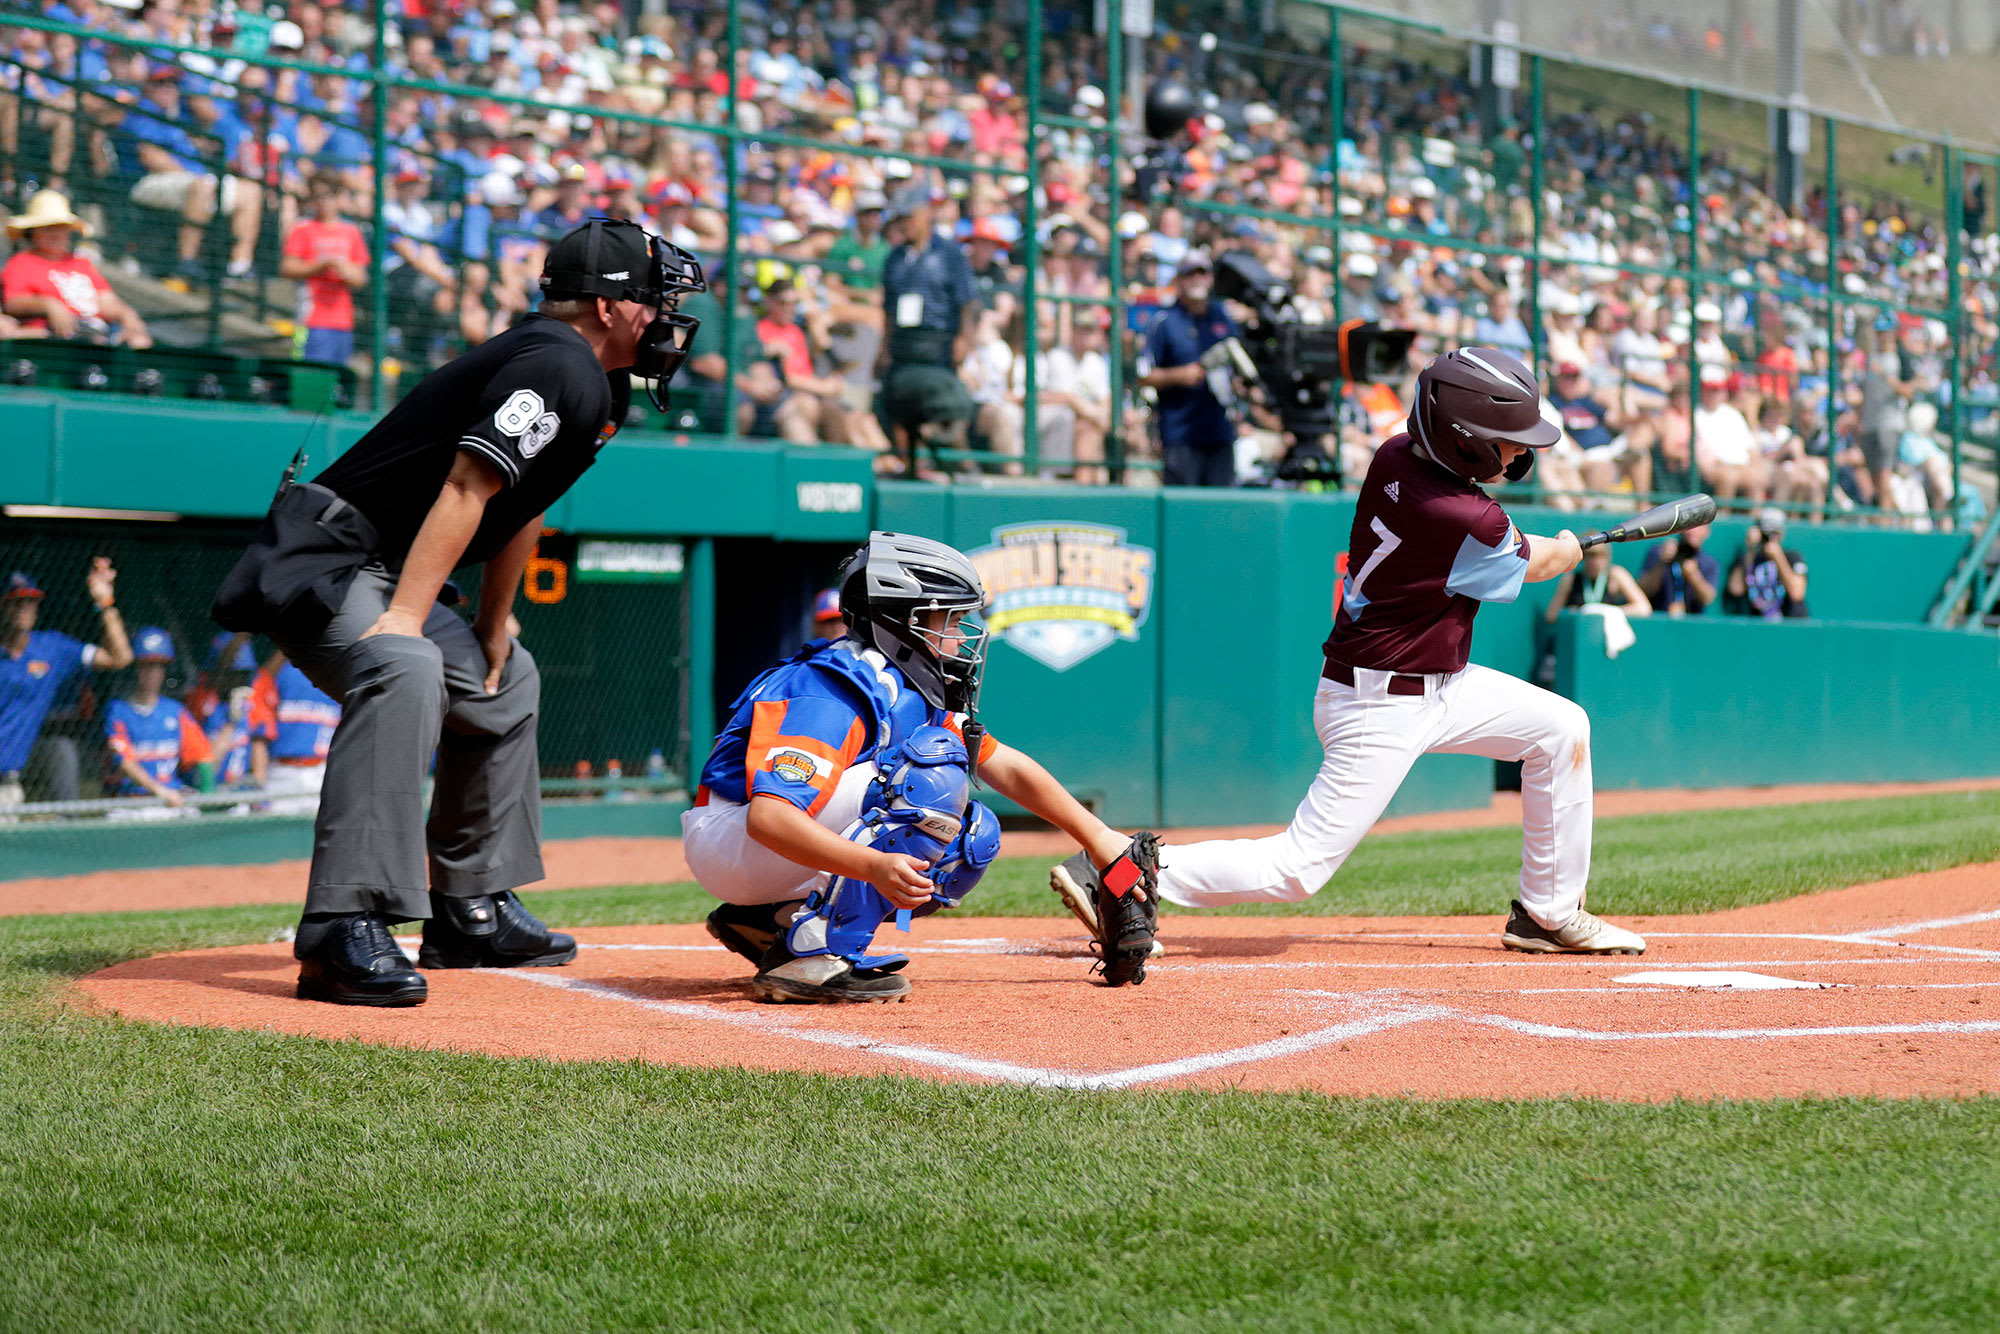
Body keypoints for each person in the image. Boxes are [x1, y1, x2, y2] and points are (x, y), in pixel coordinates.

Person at [210, 217, 706, 1008]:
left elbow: (523, 505)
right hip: (330, 557)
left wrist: (490, 624)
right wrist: (406, 618)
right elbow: (468, 488)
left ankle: (470, 911)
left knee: (501, 681)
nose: (668, 320)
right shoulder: (555, 363)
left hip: (384, 566)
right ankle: (343, 927)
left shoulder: (595, 379)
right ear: (609, 308)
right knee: (402, 666)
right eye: (656, 301)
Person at [1054, 347, 1647, 971]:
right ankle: (1122, 869)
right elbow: (1539, 566)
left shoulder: (1396, 453)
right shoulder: (1466, 518)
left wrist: (1549, 545)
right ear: (1464, 441)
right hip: (1381, 703)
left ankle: (1547, 913)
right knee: (1297, 869)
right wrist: (1568, 546)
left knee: (1559, 728)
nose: (1520, 455)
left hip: (1435, 683)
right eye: (1508, 442)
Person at [686, 533, 1136, 1003]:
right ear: (906, 620)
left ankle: (775, 917)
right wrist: (874, 865)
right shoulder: (833, 689)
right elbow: (770, 818)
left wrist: (1098, 837)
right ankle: (812, 956)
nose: (961, 636)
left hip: (762, 846)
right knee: (932, 779)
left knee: (970, 836)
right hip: (734, 838)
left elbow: (1005, 766)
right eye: (952, 619)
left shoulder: (906, 685)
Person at [0, 563, 133, 813]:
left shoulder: (51, 648)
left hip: (10, 776)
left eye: (31, 602)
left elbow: (120, 657)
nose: (24, 609)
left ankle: (68, 824)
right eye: (16, 602)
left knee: (61, 751)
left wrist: (105, 603)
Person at [877, 182, 979, 470]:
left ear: (926, 214)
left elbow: (967, 302)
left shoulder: (949, 253)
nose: (904, 224)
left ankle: (964, 469)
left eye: (908, 216)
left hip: (938, 345)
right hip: (904, 348)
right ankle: (915, 468)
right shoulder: (894, 259)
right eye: (899, 219)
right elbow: (887, 309)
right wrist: (883, 348)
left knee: (947, 407)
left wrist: (964, 339)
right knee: (897, 408)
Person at [1138, 250, 1241, 487]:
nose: (1197, 279)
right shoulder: (1163, 321)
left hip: (1220, 431)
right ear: (1179, 280)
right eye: (1190, 273)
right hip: (1181, 434)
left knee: (1221, 509)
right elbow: (1144, 375)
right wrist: (1180, 375)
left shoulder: (1222, 317)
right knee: (1183, 513)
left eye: (1202, 273)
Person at [2, 191, 152, 347]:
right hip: (50, 337)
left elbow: (106, 301)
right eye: (48, 228)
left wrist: (126, 314)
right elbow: (13, 302)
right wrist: (49, 305)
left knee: (140, 341)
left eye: (61, 227)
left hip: (95, 333)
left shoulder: (82, 264)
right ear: (33, 232)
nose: (56, 234)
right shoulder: (21, 263)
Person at [103, 627, 211, 816]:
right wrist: (160, 791)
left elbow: (203, 756)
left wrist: (209, 795)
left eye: (158, 666)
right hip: (133, 800)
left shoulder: (175, 711)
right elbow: (125, 763)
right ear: (136, 668)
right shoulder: (118, 711)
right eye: (146, 665)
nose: (152, 673)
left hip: (172, 797)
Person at [280, 174, 368, 366]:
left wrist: (346, 272)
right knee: (310, 376)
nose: (324, 202)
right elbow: (287, 267)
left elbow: (361, 277)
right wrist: (323, 264)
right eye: (318, 196)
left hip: (343, 321)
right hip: (311, 319)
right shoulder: (302, 228)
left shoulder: (351, 231)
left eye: (329, 196)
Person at [251, 652, 342, 814]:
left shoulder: (339, 673)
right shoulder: (280, 672)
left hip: (321, 771)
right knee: (280, 834)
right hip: (283, 772)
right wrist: (259, 781)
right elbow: (260, 736)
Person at [1724, 507, 1810, 619]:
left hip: (1789, 622)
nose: (1772, 538)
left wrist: (1778, 557)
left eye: (1775, 533)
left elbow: (1797, 593)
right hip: (1759, 624)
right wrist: (1749, 551)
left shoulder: (1793, 557)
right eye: (1767, 533)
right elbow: (1735, 589)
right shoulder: (1750, 558)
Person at [1636, 522, 1721, 616]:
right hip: (1658, 618)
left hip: (1691, 624)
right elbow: (1642, 590)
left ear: (1707, 532)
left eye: (1699, 527)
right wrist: (1662, 562)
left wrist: (1693, 575)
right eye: (1689, 526)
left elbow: (1707, 598)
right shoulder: (1659, 552)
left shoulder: (1709, 563)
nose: (1692, 531)